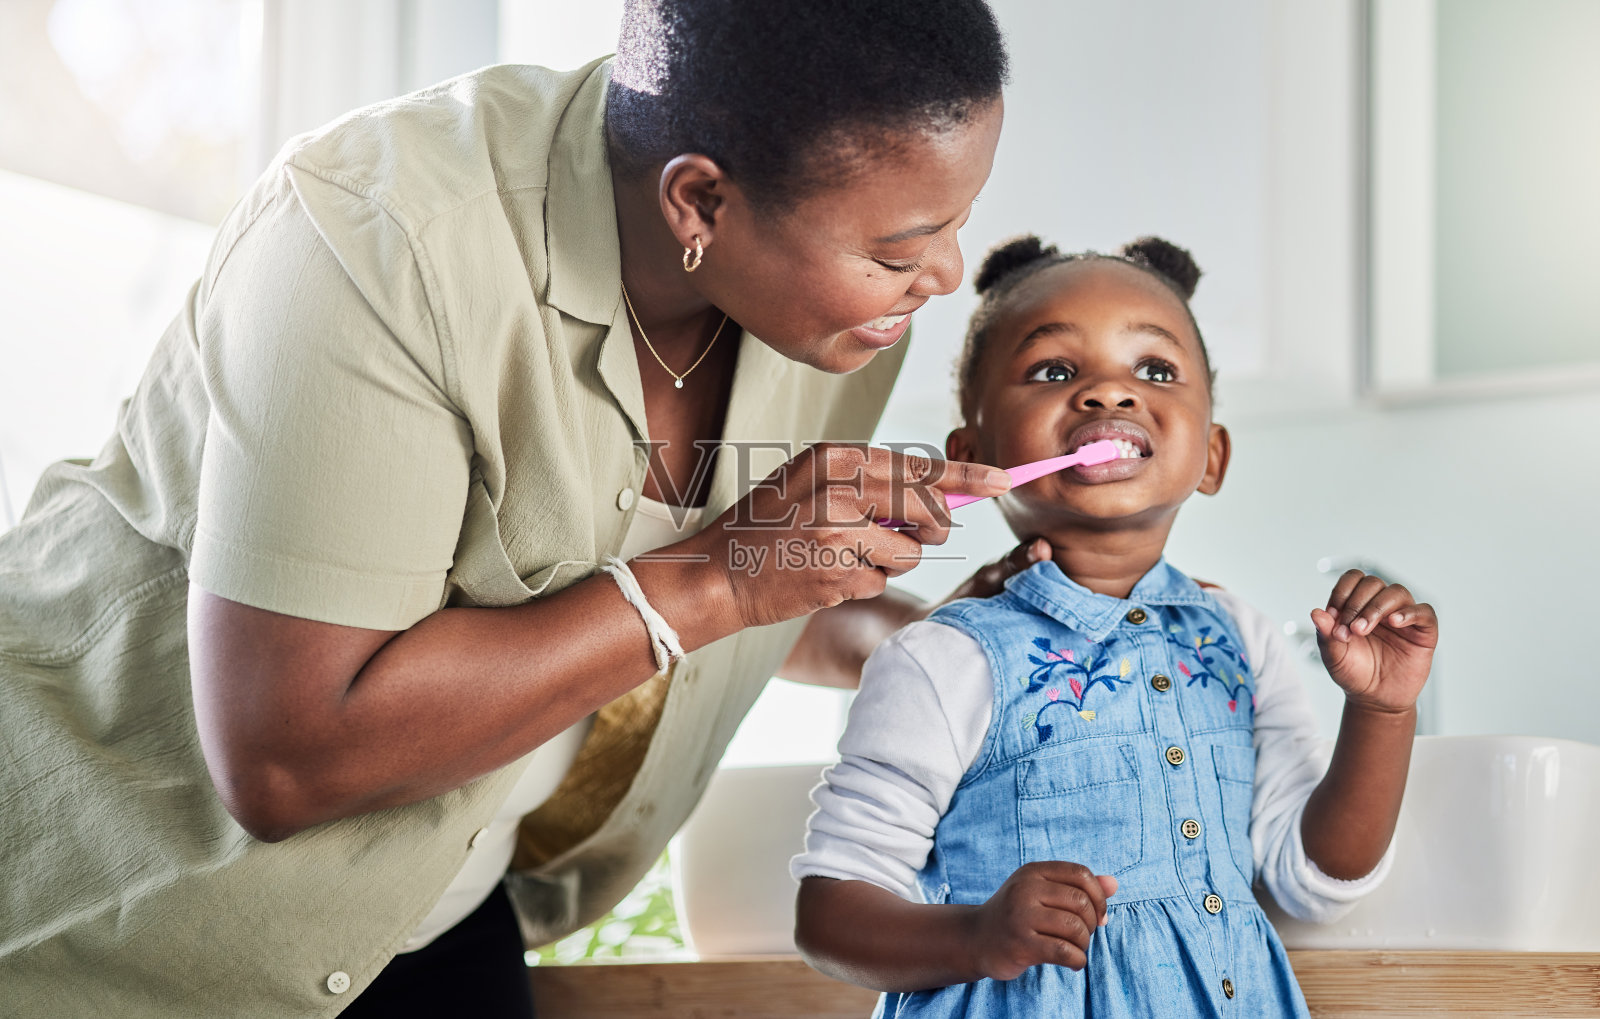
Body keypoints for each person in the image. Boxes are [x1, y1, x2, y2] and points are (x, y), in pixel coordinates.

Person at [0, 2, 1031, 1014]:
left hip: (439, 906)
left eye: (956, 224)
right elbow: (286, 757)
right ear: (700, 204)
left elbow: (729, 599)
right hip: (125, 934)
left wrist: (935, 652)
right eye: (898, 251)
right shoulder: (379, 243)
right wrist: (722, 575)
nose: (942, 275)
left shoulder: (819, 311)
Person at [791, 235, 1440, 1017]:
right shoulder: (944, 657)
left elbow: (1311, 880)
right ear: (973, 455)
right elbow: (829, 917)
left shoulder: (1242, 638)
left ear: (1212, 456)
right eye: (1056, 371)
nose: (1109, 393)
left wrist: (1381, 711)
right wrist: (977, 936)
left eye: (1155, 371)